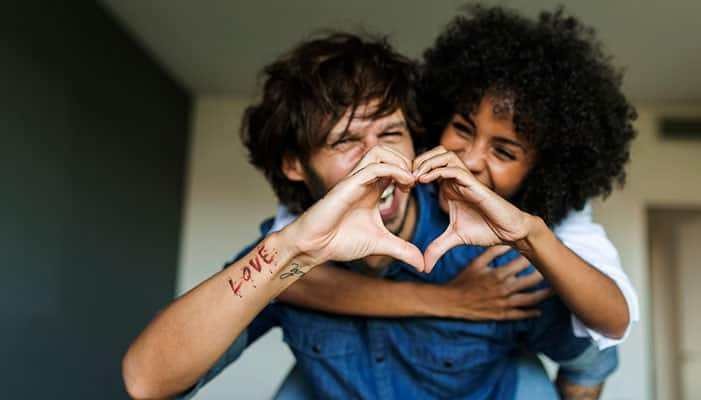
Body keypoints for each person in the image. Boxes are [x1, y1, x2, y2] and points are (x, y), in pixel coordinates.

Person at [122, 15, 635, 399]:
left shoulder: (496, 261)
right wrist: (287, 255)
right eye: (346, 142)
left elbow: (593, 355)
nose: (378, 159)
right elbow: (147, 381)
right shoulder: (279, 259)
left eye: (391, 133)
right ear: (296, 165)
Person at [268, 5, 639, 399]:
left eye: (504, 152)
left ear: (544, 174)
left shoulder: (544, 235)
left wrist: (530, 234)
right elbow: (280, 273)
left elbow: (610, 327)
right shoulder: (397, 160)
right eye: (462, 129)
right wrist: (448, 300)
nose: (469, 159)